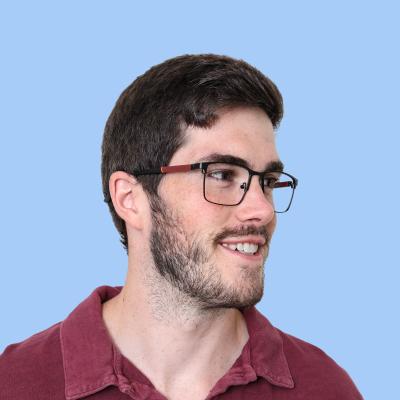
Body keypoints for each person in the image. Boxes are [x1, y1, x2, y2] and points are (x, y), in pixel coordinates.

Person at [0, 54, 363, 400]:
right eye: (221, 175)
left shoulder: (324, 387)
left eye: (267, 182)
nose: (263, 210)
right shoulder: (14, 383)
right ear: (130, 198)